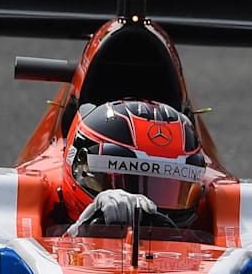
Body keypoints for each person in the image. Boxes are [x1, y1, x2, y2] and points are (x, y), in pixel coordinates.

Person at [59, 99, 208, 235]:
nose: (145, 206)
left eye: (166, 189)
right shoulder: (39, 191)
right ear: (82, 168)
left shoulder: (216, 202)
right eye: (127, 182)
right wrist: (80, 230)